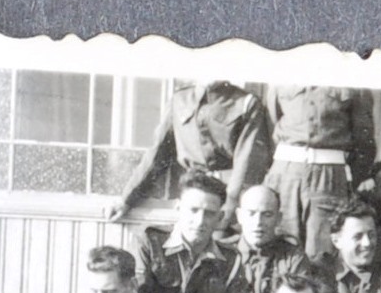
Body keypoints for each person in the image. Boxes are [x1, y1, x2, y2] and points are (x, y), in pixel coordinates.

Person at [114, 80, 272, 234]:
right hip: (189, 194)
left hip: (224, 198)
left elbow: (247, 162)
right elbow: (157, 154)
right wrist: (126, 200)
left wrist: (229, 207)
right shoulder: (180, 99)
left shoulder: (245, 103)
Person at [129, 176, 234, 293]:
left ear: (220, 217)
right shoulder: (149, 241)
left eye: (209, 213)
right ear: (178, 208)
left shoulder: (229, 259)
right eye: (193, 210)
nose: (200, 220)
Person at [265, 85, 373, 257]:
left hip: (328, 177)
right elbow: (270, 124)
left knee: (321, 251)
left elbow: (364, 141)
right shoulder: (282, 75)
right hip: (285, 174)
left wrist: (343, 180)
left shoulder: (354, 79)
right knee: (280, 243)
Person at [210, 184, 318, 293]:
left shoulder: (292, 257)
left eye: (267, 215)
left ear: (279, 218)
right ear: (239, 216)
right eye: (251, 213)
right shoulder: (220, 255)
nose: (258, 223)